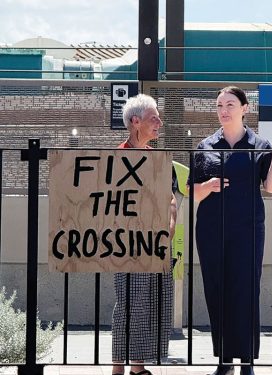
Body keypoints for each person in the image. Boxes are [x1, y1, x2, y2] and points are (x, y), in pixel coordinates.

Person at [189, 86, 272, 375]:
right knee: (217, 290)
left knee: (246, 290)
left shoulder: (259, 145)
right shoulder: (205, 146)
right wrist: (206, 186)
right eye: (219, 105)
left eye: (230, 104)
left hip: (248, 229)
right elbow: (191, 192)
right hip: (211, 229)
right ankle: (224, 360)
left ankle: (247, 359)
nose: (224, 110)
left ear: (244, 109)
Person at [111, 94, 177, 375]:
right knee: (127, 302)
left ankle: (138, 366)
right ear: (135, 122)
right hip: (126, 244)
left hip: (156, 244)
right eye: (154, 119)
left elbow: (171, 200)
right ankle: (118, 368)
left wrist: (168, 231)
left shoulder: (159, 160)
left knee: (150, 303)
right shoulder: (115, 158)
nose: (159, 124)